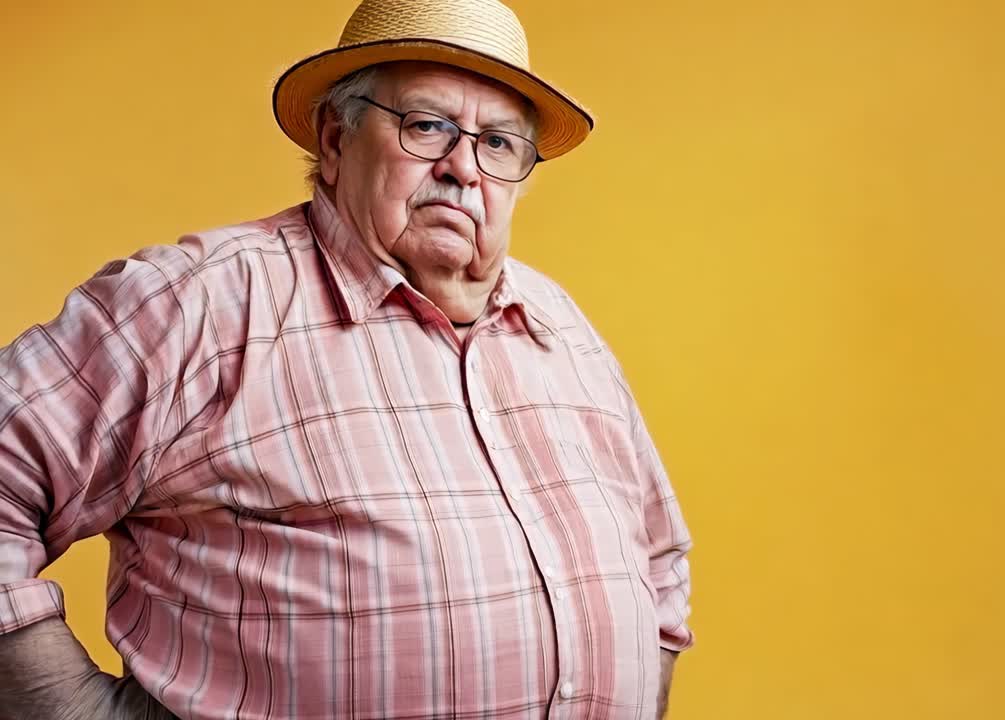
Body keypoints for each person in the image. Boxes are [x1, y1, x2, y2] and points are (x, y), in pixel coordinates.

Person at [0, 0, 694, 718]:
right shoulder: (203, 303)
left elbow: (660, 564)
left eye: (498, 144)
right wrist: (68, 708)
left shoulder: (564, 329)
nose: (464, 168)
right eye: (427, 126)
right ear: (335, 139)